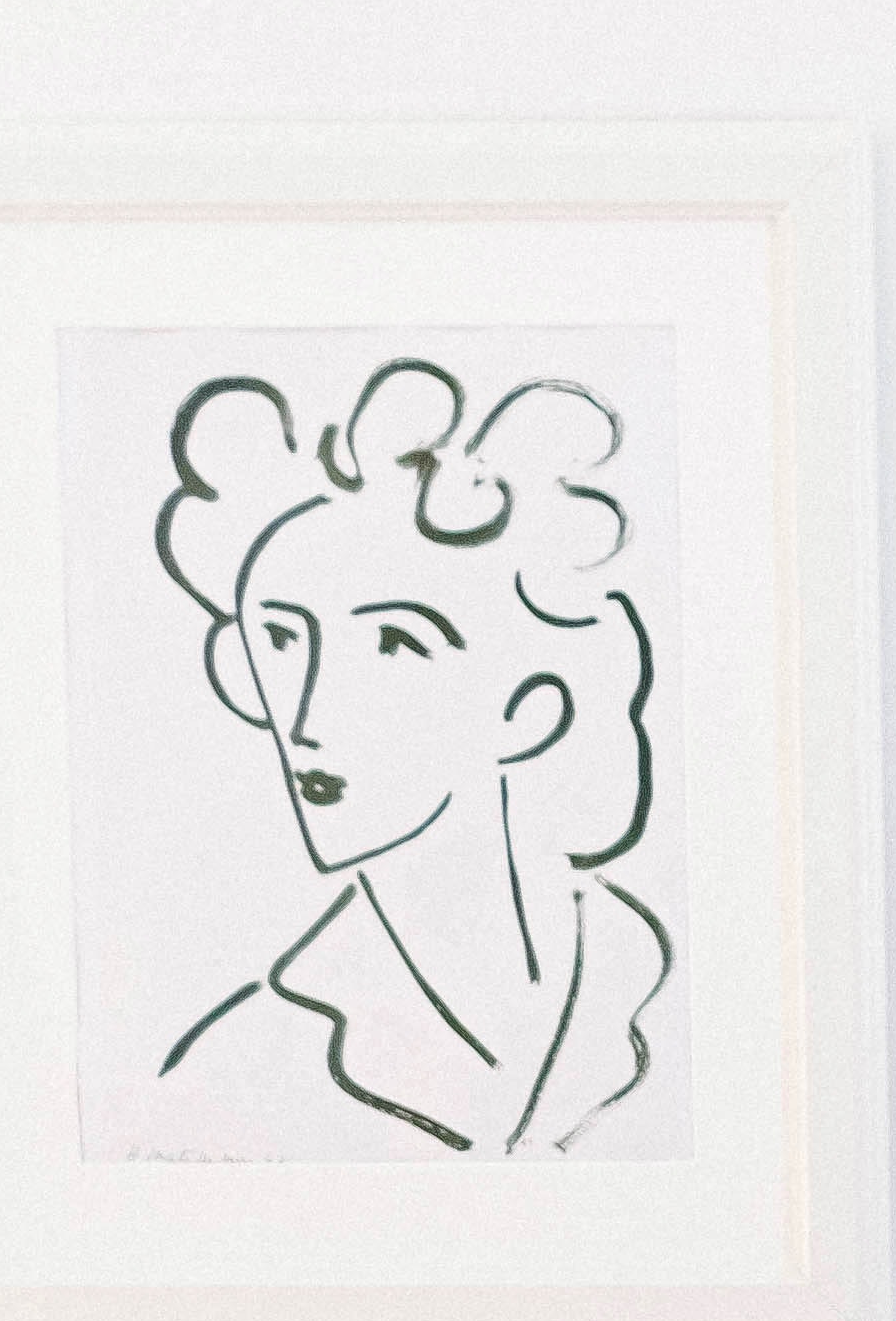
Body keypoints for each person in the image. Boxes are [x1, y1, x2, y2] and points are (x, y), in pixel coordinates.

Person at [146, 359, 674, 1158]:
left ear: (528, 709)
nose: (309, 713)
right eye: (283, 639)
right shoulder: (234, 1080)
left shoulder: (667, 988)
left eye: (395, 642)